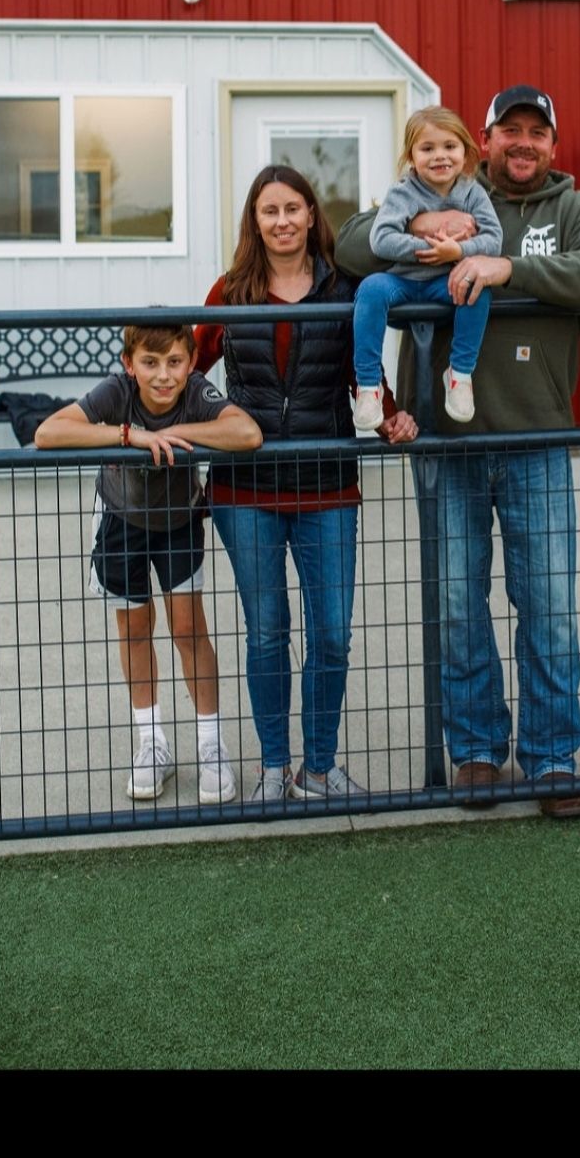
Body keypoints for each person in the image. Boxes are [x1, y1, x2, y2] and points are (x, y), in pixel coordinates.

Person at [337, 85, 580, 818]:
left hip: (535, 438)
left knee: (551, 606)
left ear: (553, 144)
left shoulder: (572, 209)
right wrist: (429, 221)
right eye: (509, 131)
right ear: (484, 141)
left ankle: (553, 759)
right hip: (446, 439)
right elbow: (347, 245)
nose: (523, 143)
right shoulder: (439, 187)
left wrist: (508, 269)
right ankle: (474, 753)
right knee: (458, 604)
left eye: (538, 132)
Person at [194, 164, 417, 807]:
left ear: (313, 216)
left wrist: (392, 416)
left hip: (327, 486)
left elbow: (364, 374)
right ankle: (272, 767)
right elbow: (187, 368)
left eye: (295, 209)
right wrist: (197, 424)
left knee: (331, 634)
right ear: (254, 221)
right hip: (246, 491)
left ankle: (319, 768)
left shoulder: (346, 290)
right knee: (265, 632)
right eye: (270, 211)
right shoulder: (230, 291)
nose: (284, 221)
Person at [35, 323, 262, 804]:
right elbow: (47, 431)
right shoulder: (117, 392)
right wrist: (128, 435)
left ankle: (209, 743)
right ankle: (151, 742)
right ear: (129, 364)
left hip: (178, 521)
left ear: (191, 361)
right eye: (150, 363)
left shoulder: (196, 391)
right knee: (135, 629)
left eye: (175, 362)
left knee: (187, 629)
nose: (163, 376)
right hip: (121, 519)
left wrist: (176, 431)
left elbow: (247, 432)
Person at [352, 106, 503, 432]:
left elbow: (494, 240)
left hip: (445, 282)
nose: (440, 156)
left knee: (478, 287)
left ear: (465, 151)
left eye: (450, 147)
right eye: (427, 148)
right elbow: (381, 240)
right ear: (411, 155)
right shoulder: (402, 192)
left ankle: (460, 375)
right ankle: (368, 386)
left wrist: (459, 251)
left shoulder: (472, 192)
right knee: (370, 289)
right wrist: (431, 249)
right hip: (402, 280)